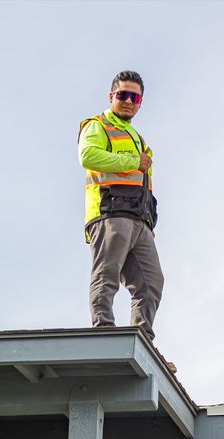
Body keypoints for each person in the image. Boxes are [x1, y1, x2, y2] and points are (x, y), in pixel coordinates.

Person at [79, 69, 164, 340]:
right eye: (123, 95)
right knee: (107, 274)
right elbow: (88, 156)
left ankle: (142, 338)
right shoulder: (98, 125)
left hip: (139, 221)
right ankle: (103, 329)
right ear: (111, 96)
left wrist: (149, 221)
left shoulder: (137, 137)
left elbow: (143, 184)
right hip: (109, 213)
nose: (128, 101)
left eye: (135, 98)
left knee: (151, 282)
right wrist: (132, 161)